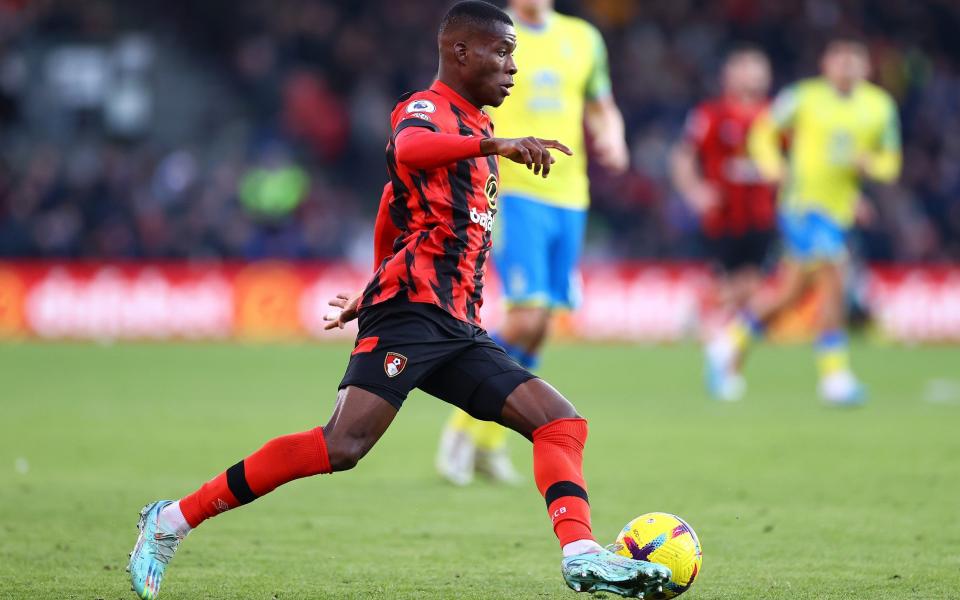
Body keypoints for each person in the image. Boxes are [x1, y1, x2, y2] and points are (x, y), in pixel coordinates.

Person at [126, 3, 671, 599]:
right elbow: (410, 151)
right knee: (342, 445)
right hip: (411, 313)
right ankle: (170, 521)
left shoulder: (480, 128)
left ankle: (582, 554)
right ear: (461, 51)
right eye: (503, 52)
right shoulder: (427, 108)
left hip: (458, 323)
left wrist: (369, 282)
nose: (514, 66)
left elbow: (393, 205)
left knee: (561, 423)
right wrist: (500, 150)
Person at [435, 0, 628, 487]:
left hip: (570, 195)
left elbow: (601, 103)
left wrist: (613, 137)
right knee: (526, 315)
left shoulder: (584, 38)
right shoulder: (492, 32)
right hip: (517, 191)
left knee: (542, 326)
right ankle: (459, 430)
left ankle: (488, 443)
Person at [705, 38, 902, 404]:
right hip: (800, 206)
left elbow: (891, 163)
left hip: (838, 213)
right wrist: (773, 167)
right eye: (839, 59)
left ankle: (729, 342)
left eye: (854, 59)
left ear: (866, 66)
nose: (846, 66)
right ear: (826, 63)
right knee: (835, 276)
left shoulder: (880, 107)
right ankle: (834, 376)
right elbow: (762, 132)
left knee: (790, 294)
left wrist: (869, 168)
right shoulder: (803, 97)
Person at [671, 47, 776, 321]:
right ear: (729, 75)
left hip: (764, 214)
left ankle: (707, 312)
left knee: (754, 284)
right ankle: (708, 316)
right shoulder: (711, 114)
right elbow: (684, 155)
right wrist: (693, 190)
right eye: (746, 68)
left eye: (759, 69)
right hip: (722, 214)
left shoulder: (776, 116)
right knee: (745, 282)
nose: (754, 76)